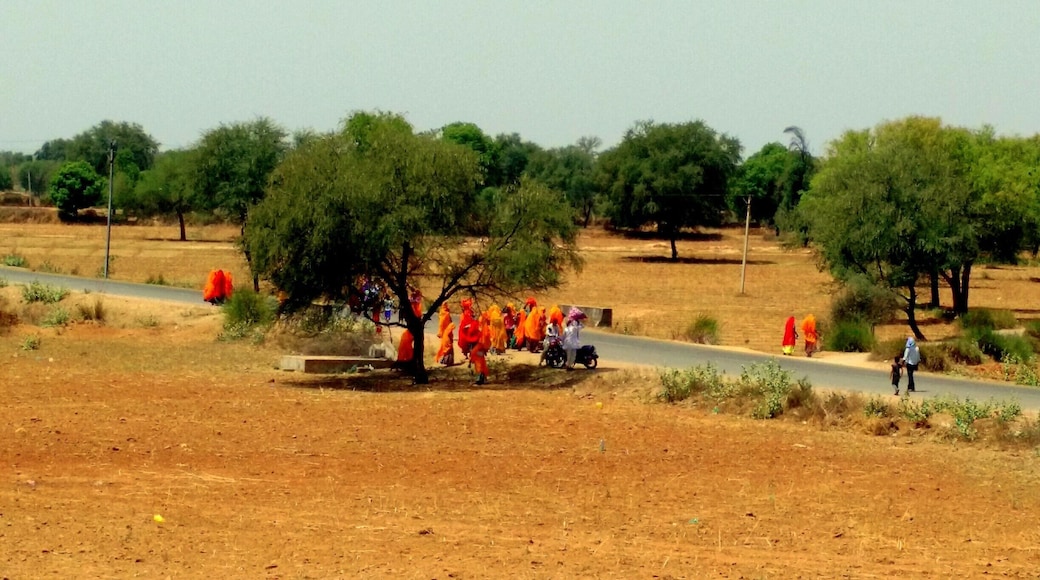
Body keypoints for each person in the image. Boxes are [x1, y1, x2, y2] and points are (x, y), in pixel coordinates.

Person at [470, 312, 492, 385]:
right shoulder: (486, 328)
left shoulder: (484, 329)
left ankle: (480, 379)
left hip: (480, 348)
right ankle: (482, 378)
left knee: (479, 363)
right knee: (481, 362)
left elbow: (484, 340)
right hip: (481, 349)